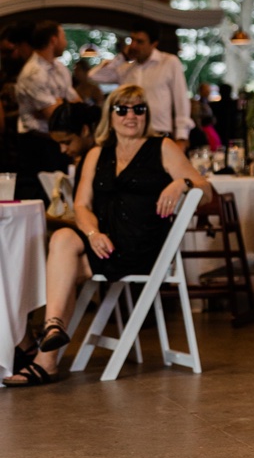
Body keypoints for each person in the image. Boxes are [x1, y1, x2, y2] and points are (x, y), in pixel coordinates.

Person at [2, 85, 210, 387]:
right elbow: (82, 206)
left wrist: (183, 183)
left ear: (146, 115)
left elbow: (207, 189)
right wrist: (93, 232)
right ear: (109, 115)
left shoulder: (161, 147)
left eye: (138, 109)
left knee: (56, 265)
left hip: (143, 247)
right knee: (62, 238)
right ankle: (52, 328)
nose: (130, 115)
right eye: (122, 109)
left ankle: (40, 353)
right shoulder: (97, 154)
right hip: (105, 244)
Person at [89, 21, 192, 142]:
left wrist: (182, 136)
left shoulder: (169, 62)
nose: (134, 46)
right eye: (132, 40)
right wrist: (122, 57)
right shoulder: (125, 68)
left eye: (140, 42)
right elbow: (94, 76)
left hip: (159, 133)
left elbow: (181, 100)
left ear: (154, 44)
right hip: (131, 136)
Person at [14, 21, 77, 134]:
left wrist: (60, 103)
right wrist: (63, 104)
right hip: (37, 139)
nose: (66, 42)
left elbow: (77, 102)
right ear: (53, 40)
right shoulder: (33, 73)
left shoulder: (59, 67)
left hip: (55, 136)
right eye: (64, 37)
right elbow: (54, 117)